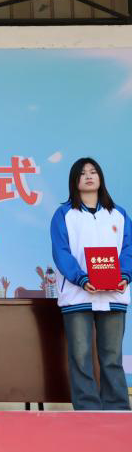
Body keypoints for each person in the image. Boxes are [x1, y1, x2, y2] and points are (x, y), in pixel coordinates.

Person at [50, 157, 131, 411]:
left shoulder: (118, 214)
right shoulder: (64, 214)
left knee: (112, 356)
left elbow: (128, 249)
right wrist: (81, 279)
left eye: (93, 172)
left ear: (100, 178)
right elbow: (61, 252)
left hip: (114, 294)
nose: (88, 176)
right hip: (78, 295)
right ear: (74, 180)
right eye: (82, 173)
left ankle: (118, 409)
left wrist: (125, 276)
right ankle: (87, 410)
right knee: (80, 356)